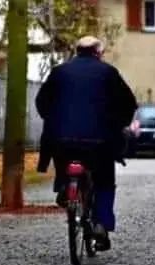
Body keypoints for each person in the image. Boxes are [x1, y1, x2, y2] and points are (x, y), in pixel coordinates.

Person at [35, 35, 137, 250]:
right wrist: (120, 124)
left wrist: (53, 120)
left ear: (76, 51)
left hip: (62, 140)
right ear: (98, 52)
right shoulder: (108, 73)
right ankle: (101, 224)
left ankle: (64, 185)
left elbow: (41, 102)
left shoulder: (59, 72)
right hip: (99, 142)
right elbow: (129, 103)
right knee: (104, 181)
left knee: (64, 161)